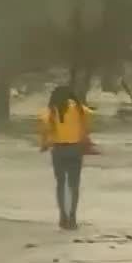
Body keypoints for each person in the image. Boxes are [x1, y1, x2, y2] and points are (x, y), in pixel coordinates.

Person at [38, 85, 94, 230]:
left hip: (58, 150)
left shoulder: (50, 111)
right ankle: (73, 218)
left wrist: (44, 144)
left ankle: (63, 216)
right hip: (75, 149)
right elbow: (88, 119)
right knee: (74, 185)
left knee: (61, 184)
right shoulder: (78, 108)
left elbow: (45, 130)